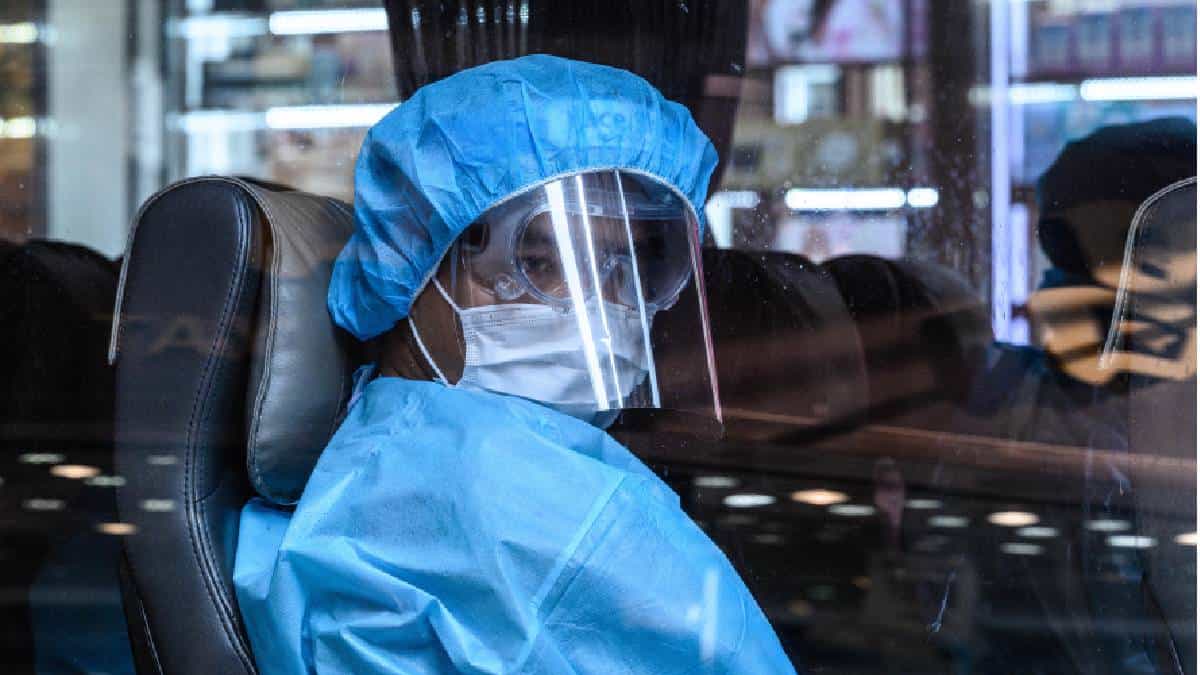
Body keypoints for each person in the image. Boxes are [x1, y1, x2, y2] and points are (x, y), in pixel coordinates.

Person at [233, 55, 796, 674]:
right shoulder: (490, 480)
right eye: (538, 261)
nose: (599, 311)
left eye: (624, 270)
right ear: (417, 262)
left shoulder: (402, 458)